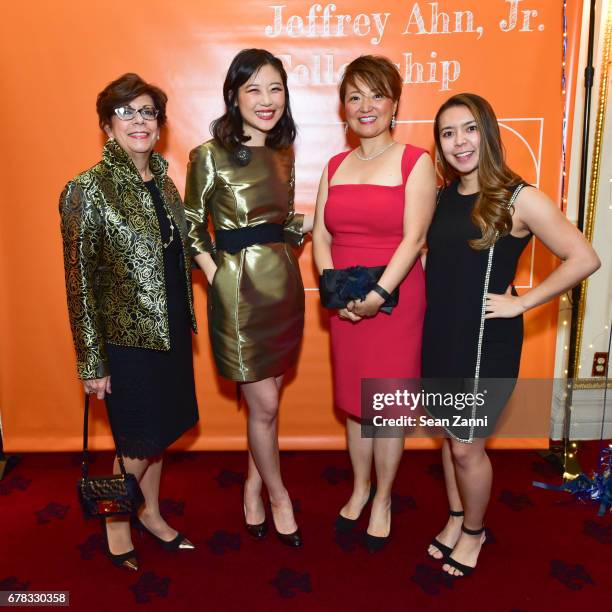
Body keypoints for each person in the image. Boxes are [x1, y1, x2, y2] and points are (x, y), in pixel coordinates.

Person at [423, 92, 600, 577]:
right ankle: (458, 516)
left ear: (488, 132)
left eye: (469, 128)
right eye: (447, 132)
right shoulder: (440, 195)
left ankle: (475, 533)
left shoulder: (519, 198)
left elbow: (585, 257)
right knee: (449, 434)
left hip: (487, 341)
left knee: (466, 446)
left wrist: (521, 302)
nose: (459, 141)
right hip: (442, 334)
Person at [59, 73, 199, 571]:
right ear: (106, 124)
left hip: (171, 336)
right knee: (137, 441)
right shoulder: (86, 190)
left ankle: (152, 513)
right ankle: (118, 524)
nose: (138, 121)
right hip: (125, 343)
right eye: (126, 112)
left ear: (159, 125)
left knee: (159, 436)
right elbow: (79, 285)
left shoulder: (164, 182)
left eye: (147, 112)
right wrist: (92, 360)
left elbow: (175, 255)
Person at [184, 49, 313, 547]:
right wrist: (218, 276)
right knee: (262, 407)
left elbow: (285, 226)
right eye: (254, 89)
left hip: (283, 291)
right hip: (237, 297)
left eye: (275, 88)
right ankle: (280, 496)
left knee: (269, 406)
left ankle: (252, 487)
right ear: (234, 96)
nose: (266, 100)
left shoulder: (285, 154)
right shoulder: (208, 155)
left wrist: (320, 224)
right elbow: (191, 229)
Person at [312, 55, 436, 552]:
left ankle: (384, 497)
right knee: (355, 406)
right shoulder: (334, 165)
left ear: (395, 103)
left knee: (385, 407)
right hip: (345, 305)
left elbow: (414, 239)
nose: (366, 106)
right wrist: (336, 294)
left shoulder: (416, 161)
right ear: (344, 107)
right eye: (355, 96)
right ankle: (360, 488)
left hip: (395, 302)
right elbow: (321, 234)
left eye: (376, 95)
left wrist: (378, 295)